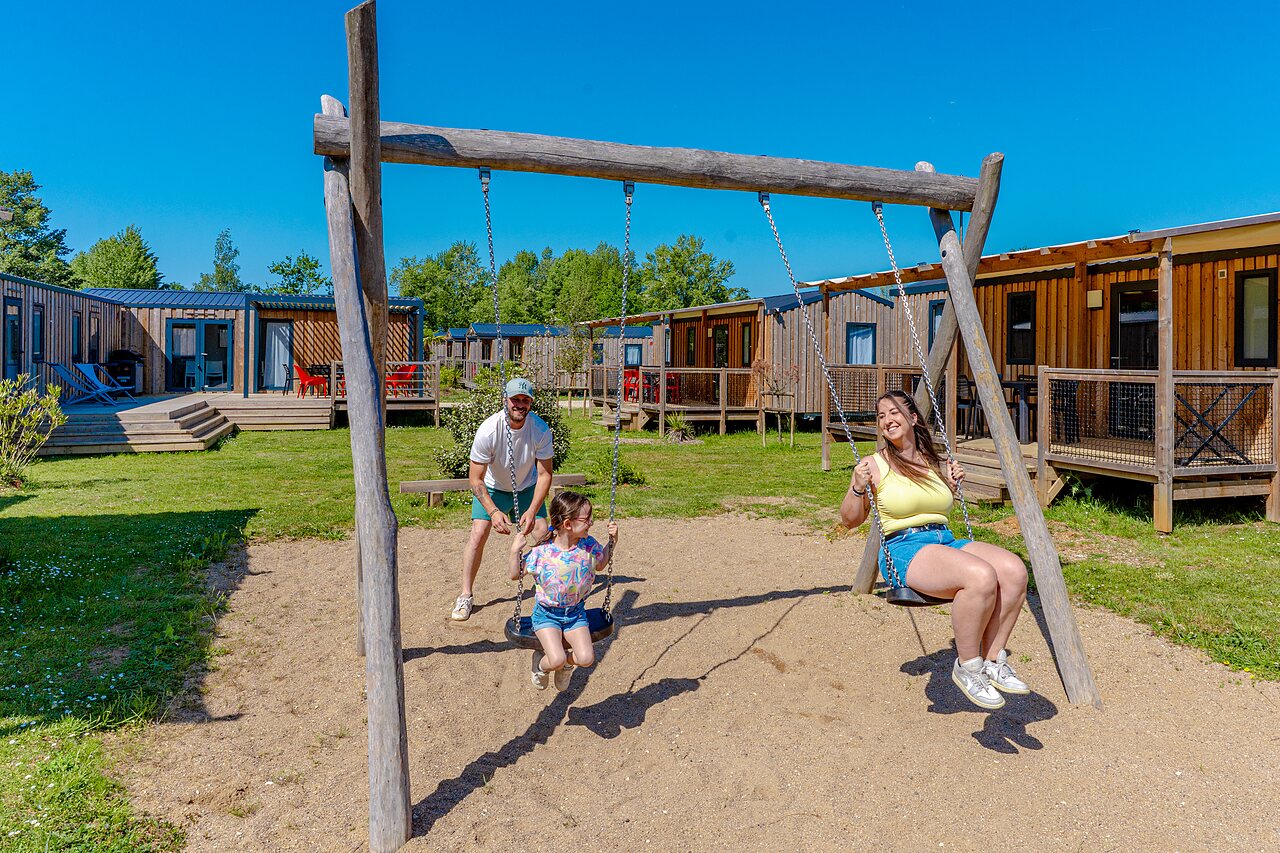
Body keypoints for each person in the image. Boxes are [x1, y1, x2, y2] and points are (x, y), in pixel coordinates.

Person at [840, 390, 1030, 710]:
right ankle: (968, 667)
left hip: (944, 539)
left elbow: (938, 509)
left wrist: (952, 487)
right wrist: (858, 486)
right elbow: (849, 520)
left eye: (894, 412)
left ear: (913, 418)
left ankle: (993, 659)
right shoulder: (873, 465)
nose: (887, 420)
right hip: (904, 547)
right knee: (981, 576)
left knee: (1014, 571)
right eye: (881, 416)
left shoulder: (933, 461)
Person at [450, 377, 554, 621]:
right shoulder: (489, 430)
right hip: (493, 488)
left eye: (524, 400)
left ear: (530, 403)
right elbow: (475, 479)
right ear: (505, 400)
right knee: (478, 534)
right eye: (515, 399)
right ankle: (465, 594)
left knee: (542, 531)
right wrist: (494, 511)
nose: (519, 404)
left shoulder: (540, 430)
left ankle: (550, 586)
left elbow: (545, 474)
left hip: (527, 486)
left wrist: (533, 509)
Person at [509, 491, 618, 690]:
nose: (591, 523)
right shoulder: (542, 553)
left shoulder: (588, 546)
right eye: (587, 519)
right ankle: (541, 666)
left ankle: (567, 665)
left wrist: (612, 542)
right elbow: (515, 574)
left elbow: (601, 564)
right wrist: (515, 550)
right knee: (555, 659)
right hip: (546, 615)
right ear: (568, 524)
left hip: (575, 614)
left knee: (586, 658)